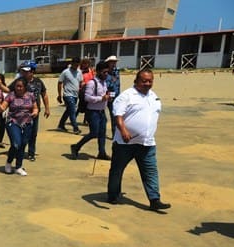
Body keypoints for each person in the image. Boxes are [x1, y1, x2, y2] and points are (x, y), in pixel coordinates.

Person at [106, 69, 170, 211]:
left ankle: (155, 199)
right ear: (136, 81)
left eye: (150, 81)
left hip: (147, 143)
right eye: (144, 81)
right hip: (125, 143)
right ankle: (113, 194)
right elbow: (118, 115)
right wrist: (123, 131)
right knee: (117, 169)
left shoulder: (154, 97)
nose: (147, 83)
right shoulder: (126, 96)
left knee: (150, 171)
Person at [0, 78, 38, 176]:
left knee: (23, 144)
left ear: (25, 87)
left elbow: (35, 107)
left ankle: (18, 166)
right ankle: (9, 162)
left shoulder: (30, 96)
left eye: (20, 86)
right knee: (16, 144)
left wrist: (35, 112)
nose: (18, 88)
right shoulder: (11, 96)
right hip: (13, 122)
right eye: (17, 86)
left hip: (27, 123)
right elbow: (2, 109)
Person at [71, 61, 111, 161]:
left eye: (107, 72)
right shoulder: (92, 83)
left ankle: (102, 153)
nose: (106, 74)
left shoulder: (104, 83)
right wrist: (101, 98)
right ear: (98, 72)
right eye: (104, 72)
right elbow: (87, 97)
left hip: (101, 112)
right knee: (94, 133)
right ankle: (76, 147)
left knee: (102, 133)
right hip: (93, 112)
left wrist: (108, 98)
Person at [20, 62, 50, 161]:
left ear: (32, 72)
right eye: (23, 71)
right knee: (22, 133)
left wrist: (47, 108)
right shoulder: (19, 82)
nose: (24, 73)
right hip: (21, 112)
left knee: (33, 133)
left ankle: (31, 153)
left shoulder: (38, 82)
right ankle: (19, 151)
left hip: (34, 113)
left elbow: (44, 95)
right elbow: (9, 90)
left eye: (26, 71)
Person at [57, 58, 83, 134]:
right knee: (72, 111)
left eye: (78, 64)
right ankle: (75, 128)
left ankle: (61, 125)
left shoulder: (79, 72)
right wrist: (59, 95)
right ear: (71, 63)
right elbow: (59, 82)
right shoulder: (65, 72)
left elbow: (81, 82)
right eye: (75, 64)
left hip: (75, 95)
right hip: (68, 95)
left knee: (68, 111)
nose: (76, 66)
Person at [105, 55, 121, 137]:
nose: (114, 64)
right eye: (112, 62)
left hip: (116, 96)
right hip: (108, 97)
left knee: (115, 116)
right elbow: (108, 87)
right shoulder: (106, 73)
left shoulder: (117, 71)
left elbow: (117, 85)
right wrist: (110, 96)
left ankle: (115, 133)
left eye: (115, 62)